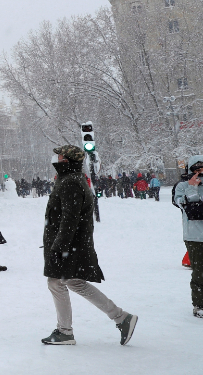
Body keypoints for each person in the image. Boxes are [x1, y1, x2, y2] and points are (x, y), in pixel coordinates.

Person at [41, 145, 137, 346]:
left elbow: (69, 219)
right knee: (64, 282)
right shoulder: (71, 180)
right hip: (72, 244)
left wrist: (59, 247)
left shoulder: (71, 183)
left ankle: (67, 331)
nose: (56, 159)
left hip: (70, 245)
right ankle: (118, 318)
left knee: (62, 282)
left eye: (59, 156)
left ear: (67, 161)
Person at [173, 156, 203, 319]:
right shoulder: (183, 186)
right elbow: (192, 210)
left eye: (202, 169)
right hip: (195, 237)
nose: (199, 173)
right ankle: (199, 304)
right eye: (196, 170)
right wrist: (192, 189)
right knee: (200, 273)